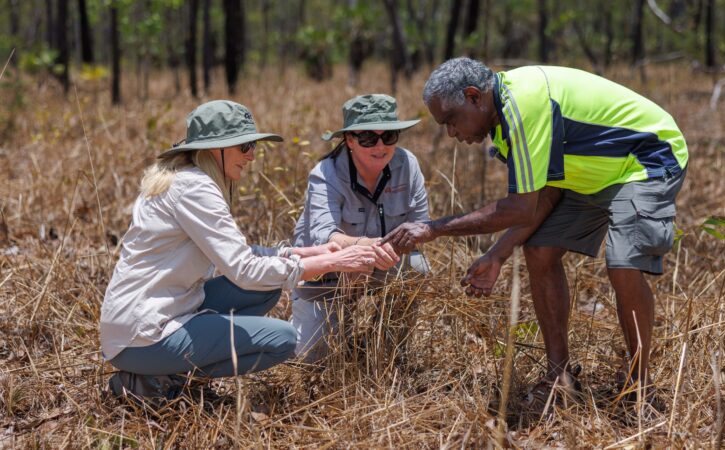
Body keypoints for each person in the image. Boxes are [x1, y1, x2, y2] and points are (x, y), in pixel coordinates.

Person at [384, 58, 688, 408]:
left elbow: (520, 208)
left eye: (451, 120)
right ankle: (560, 378)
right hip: (589, 174)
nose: (451, 133)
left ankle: (640, 386)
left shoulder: (523, 106)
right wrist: (497, 256)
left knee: (622, 263)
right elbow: (545, 192)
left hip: (646, 158)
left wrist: (432, 228)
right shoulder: (501, 124)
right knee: (540, 250)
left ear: (473, 96)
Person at [100, 100, 377, 401]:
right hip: (144, 335)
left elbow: (240, 255)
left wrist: (311, 253)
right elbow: (244, 271)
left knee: (265, 291)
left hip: (143, 321)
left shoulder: (184, 179)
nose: (251, 155)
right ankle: (159, 382)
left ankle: (155, 376)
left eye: (252, 146)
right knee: (283, 339)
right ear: (215, 148)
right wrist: (334, 262)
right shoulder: (195, 188)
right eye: (244, 146)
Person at [290, 94, 430, 363]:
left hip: (384, 261)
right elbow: (324, 238)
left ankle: (386, 351)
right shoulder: (325, 173)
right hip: (327, 270)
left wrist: (371, 257)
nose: (380, 146)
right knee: (313, 358)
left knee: (416, 268)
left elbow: (419, 228)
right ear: (349, 140)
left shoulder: (408, 165)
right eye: (368, 138)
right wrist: (359, 255)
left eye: (389, 136)